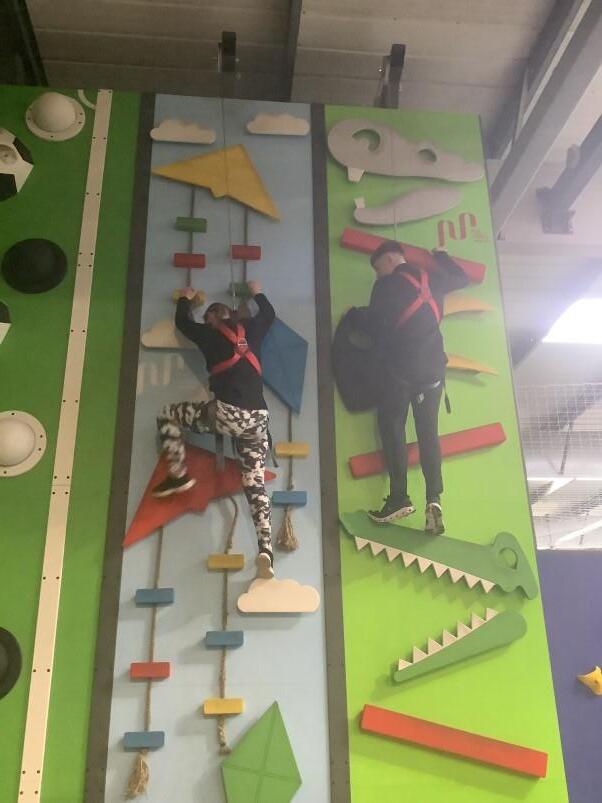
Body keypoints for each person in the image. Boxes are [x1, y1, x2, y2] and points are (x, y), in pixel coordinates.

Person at [152, 280, 276, 578]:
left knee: (168, 415)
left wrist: (185, 298)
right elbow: (269, 314)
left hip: (227, 414)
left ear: (210, 319)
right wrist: (257, 290)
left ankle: (178, 475)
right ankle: (266, 549)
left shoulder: (208, 334)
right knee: (254, 484)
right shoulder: (252, 330)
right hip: (258, 420)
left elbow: (183, 323)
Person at [347, 240, 471, 534]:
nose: (378, 274)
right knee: (428, 432)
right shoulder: (434, 279)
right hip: (433, 371)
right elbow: (461, 278)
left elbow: (375, 326)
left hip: (401, 371)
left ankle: (399, 497)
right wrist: (441, 256)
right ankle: (433, 498)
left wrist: (354, 316)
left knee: (392, 426)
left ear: (390, 260)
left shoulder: (385, 286)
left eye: (378, 268)